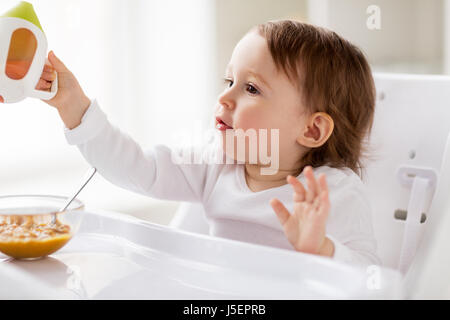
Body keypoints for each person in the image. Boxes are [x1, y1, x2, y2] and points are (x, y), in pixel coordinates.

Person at [37, 20, 380, 266]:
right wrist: (73, 106)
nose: (225, 97)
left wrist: (322, 249)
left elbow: (372, 277)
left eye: (251, 89)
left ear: (313, 130)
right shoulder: (215, 164)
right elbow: (139, 168)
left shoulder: (333, 194)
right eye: (230, 80)